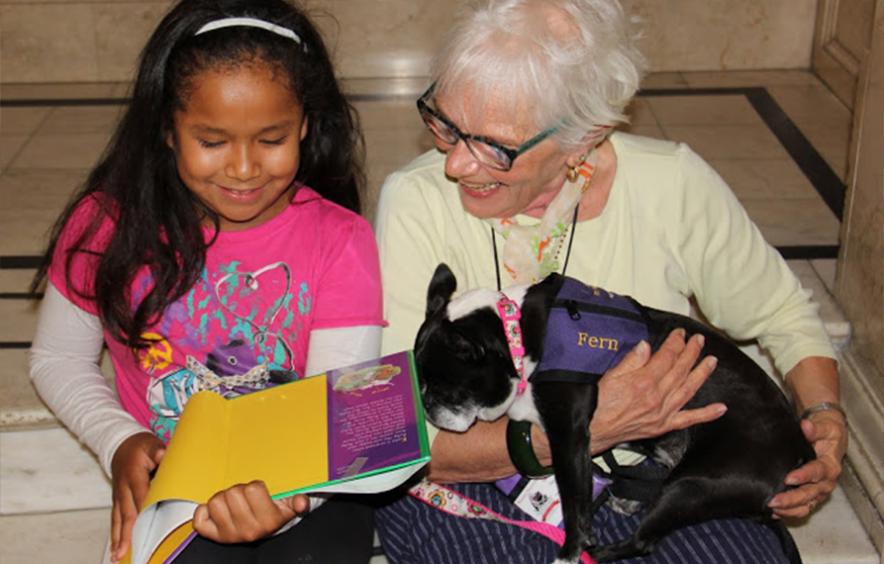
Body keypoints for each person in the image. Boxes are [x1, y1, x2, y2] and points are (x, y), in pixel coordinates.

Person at [373, 0, 847, 562]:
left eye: (494, 146)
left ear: (584, 136)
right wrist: (578, 431)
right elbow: (393, 437)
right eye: (445, 124)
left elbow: (782, 313)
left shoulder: (671, 184)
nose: (455, 163)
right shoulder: (417, 200)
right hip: (476, 474)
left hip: (653, 466)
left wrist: (824, 418)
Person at [28, 1, 384, 562]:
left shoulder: (342, 238)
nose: (243, 169)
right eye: (212, 141)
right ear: (168, 131)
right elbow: (57, 359)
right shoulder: (104, 225)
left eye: (271, 139)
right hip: (175, 491)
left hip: (308, 486)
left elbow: (339, 414)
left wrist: (294, 500)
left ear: (306, 126)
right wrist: (119, 440)